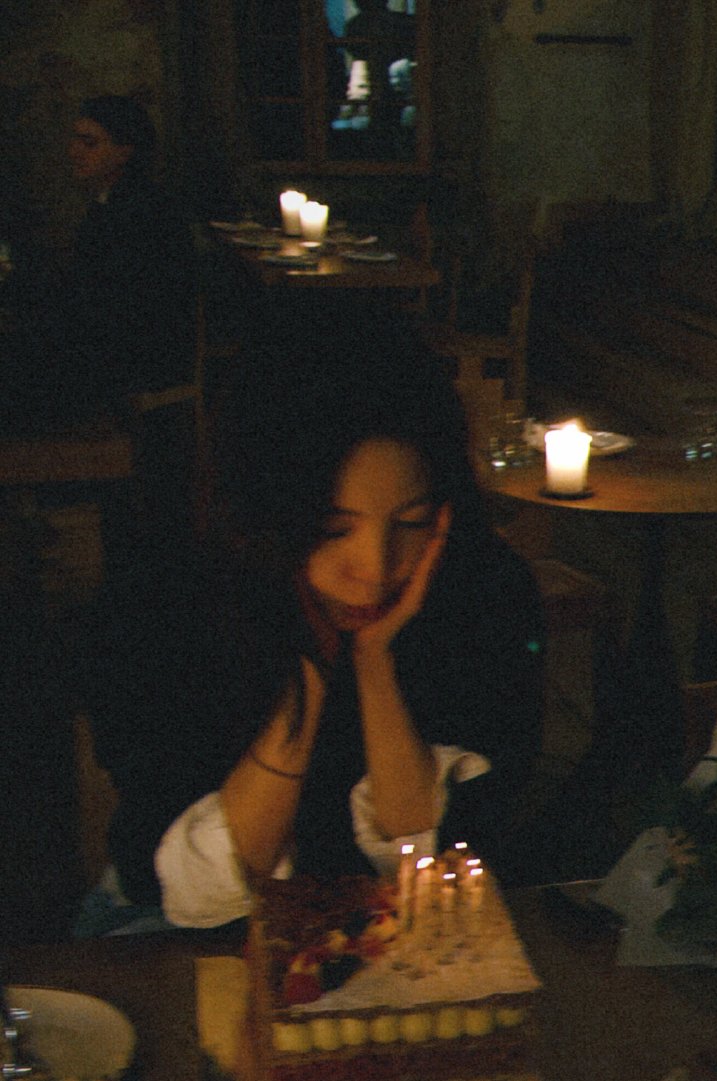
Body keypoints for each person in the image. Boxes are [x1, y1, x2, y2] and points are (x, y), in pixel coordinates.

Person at [77, 309, 545, 933]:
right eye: (331, 529)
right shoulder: (166, 605)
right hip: (174, 929)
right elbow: (196, 898)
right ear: (263, 516)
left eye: (410, 523)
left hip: (395, 930)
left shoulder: (483, 594)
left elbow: (433, 860)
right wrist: (309, 676)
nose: (375, 569)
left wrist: (375, 665)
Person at [2, 95, 195, 430]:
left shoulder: (139, 211)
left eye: (89, 143)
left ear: (124, 151)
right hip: (109, 342)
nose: (74, 151)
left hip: (133, 357)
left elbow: (113, 305)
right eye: (75, 139)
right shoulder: (113, 202)